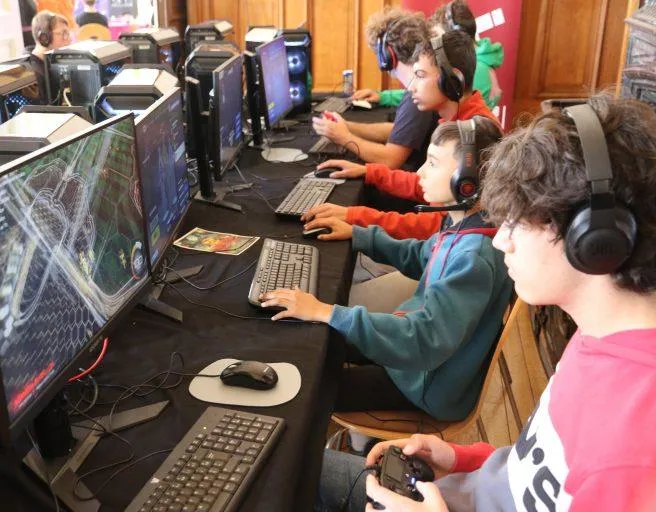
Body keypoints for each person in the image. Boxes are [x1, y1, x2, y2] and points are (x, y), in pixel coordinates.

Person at [316, 93, 656, 512]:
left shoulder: (633, 450)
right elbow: (534, 474)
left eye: (517, 224)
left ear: (593, 240)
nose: (499, 240)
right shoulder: (592, 338)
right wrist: (463, 459)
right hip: (455, 489)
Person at [261, 116, 511, 425]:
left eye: (432, 163)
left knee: (308, 387)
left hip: (425, 384)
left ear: (466, 181)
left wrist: (326, 312)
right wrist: (359, 235)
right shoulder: (464, 224)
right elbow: (421, 255)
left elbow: (423, 341)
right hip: (416, 355)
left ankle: (355, 451)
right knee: (314, 341)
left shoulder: (474, 257)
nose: (419, 172)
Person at [306, 29, 501, 243]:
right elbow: (425, 183)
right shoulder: (456, 121)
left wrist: (356, 216)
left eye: (421, 76)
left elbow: (437, 226)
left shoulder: (472, 138)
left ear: (453, 79)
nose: (411, 87)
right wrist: (369, 172)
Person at [311, 9, 437, 169]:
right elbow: (399, 131)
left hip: (411, 180)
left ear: (387, 56)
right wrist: (346, 126)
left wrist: (344, 137)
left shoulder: (417, 96)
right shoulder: (419, 87)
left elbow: (390, 160)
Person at [352, 0, 504, 111]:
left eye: (437, 38)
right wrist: (384, 97)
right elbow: (429, 90)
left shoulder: (476, 70)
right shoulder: (473, 63)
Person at [29, 10, 72, 104]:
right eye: (62, 33)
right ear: (44, 38)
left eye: (68, 33)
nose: (68, 39)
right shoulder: (33, 74)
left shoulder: (53, 64)